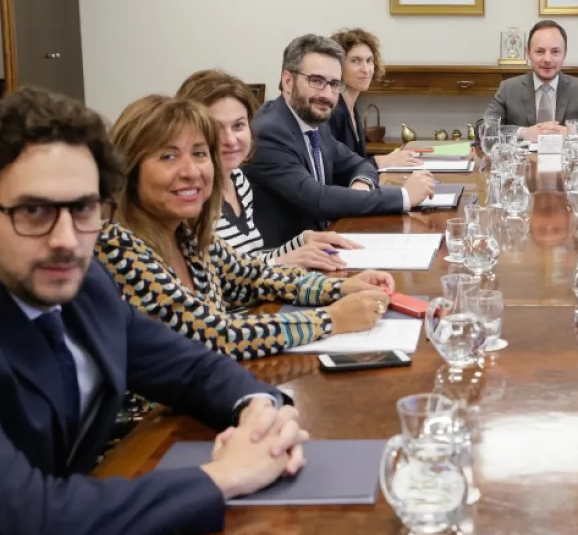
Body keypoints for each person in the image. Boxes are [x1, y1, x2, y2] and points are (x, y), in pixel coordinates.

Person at [0, 87, 312, 535]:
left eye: (84, 209)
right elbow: (30, 520)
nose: (66, 240)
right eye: (34, 213)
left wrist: (258, 412)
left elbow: (193, 367)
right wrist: (225, 476)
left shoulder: (85, 284)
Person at [96, 94, 394, 361]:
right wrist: (332, 319)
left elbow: (253, 277)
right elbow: (216, 337)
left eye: (199, 154)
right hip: (154, 421)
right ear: (129, 170)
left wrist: (340, 286)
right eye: (168, 156)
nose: (191, 171)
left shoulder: (186, 232)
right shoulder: (119, 247)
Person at [245, 34, 436, 246]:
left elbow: (360, 164)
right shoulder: (268, 132)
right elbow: (318, 198)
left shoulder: (316, 122)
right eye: (316, 81)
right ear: (288, 81)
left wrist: (362, 185)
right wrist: (404, 196)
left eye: (334, 84)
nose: (327, 94)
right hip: (286, 262)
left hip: (326, 243)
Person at [177, 68, 361, 271]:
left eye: (238, 125)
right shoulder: (188, 197)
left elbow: (248, 261)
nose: (230, 140)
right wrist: (278, 264)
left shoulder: (238, 180)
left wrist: (302, 241)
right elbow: (215, 282)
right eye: (215, 128)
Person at [482, 20, 578, 142]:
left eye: (555, 52)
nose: (547, 59)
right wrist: (524, 133)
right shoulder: (509, 88)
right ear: (528, 53)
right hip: (523, 166)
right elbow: (482, 127)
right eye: (540, 51)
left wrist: (571, 132)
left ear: (564, 54)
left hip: (567, 167)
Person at [328, 28, 422, 170]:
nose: (365, 69)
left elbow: (357, 161)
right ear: (338, 64)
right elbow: (339, 167)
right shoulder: (332, 110)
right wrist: (384, 160)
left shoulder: (353, 109)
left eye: (369, 60)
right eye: (355, 61)